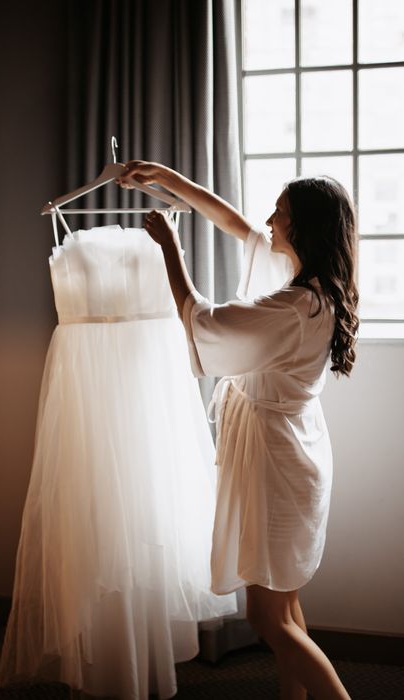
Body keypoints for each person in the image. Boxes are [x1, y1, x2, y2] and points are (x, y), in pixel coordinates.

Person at [118, 161, 358, 700]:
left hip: (277, 461)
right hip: (292, 451)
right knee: (287, 605)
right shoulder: (314, 287)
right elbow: (232, 222)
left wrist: (170, 251)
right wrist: (164, 178)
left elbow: (207, 323)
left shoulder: (296, 305)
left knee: (267, 618)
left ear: (304, 229)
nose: (269, 220)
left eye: (281, 213)